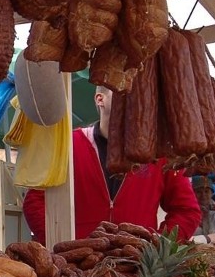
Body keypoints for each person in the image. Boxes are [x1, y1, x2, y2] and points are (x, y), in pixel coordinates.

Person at [22, 86, 201, 244]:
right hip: (76, 267)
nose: (136, 102)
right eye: (125, 93)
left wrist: (159, 246)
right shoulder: (67, 146)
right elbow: (34, 201)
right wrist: (62, 244)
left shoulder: (160, 154)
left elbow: (187, 210)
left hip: (137, 269)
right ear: (100, 99)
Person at [191, 175, 215, 244]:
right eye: (198, 192)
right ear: (192, 193)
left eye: (206, 191)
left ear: (211, 193)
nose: (203, 195)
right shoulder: (187, 211)